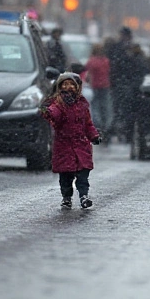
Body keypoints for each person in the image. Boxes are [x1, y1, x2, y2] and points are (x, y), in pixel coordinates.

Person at [40, 72, 101, 209]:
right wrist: (47, 111)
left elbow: (88, 124)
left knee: (83, 174)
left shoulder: (82, 105)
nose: (69, 87)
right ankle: (66, 197)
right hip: (64, 146)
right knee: (66, 176)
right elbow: (53, 113)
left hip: (81, 145)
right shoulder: (58, 104)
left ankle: (84, 196)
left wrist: (94, 136)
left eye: (72, 84)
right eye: (65, 84)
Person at [82, 43, 112, 130]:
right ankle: (106, 124)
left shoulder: (91, 61)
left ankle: (98, 124)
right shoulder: (106, 61)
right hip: (105, 85)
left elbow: (86, 72)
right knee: (105, 105)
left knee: (95, 105)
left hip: (94, 85)